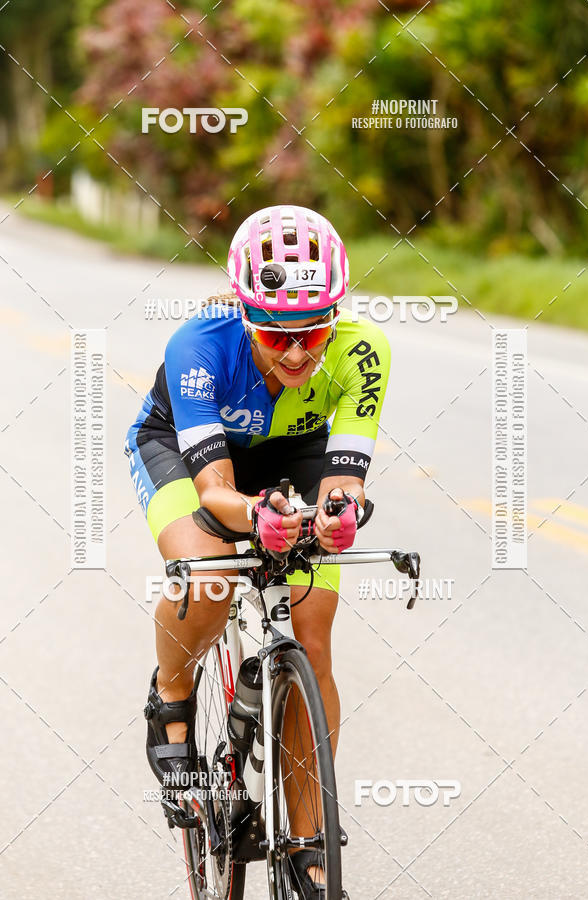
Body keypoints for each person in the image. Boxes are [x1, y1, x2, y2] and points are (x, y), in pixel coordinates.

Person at [124, 204, 390, 896]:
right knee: (209, 578)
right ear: (246, 315)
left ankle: (309, 843)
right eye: (276, 335)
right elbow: (215, 491)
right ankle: (172, 694)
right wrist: (255, 517)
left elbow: (344, 482)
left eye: (313, 332)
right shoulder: (199, 344)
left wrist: (339, 516)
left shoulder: (363, 351)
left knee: (314, 636)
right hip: (188, 456)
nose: (297, 353)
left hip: (291, 452)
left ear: (336, 317)